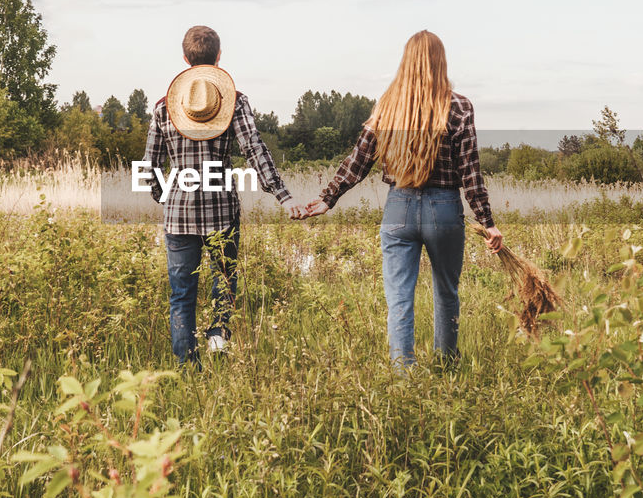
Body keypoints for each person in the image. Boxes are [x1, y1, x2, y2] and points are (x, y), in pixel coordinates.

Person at [301, 30, 503, 364]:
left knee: (399, 299)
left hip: (399, 207)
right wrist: (488, 223)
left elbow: (359, 159)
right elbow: (470, 171)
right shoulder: (459, 107)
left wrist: (328, 198)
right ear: (441, 61)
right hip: (445, 209)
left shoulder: (388, 105)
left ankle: (403, 377)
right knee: (446, 294)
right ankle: (446, 366)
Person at [143, 25, 298, 366]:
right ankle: (217, 347)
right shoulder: (234, 102)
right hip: (222, 216)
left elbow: (149, 166)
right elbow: (255, 150)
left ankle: (188, 368)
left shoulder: (163, 107)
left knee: (182, 296)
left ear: (185, 59)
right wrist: (282, 196)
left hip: (178, 218)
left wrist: (163, 196)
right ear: (219, 57)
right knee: (223, 286)